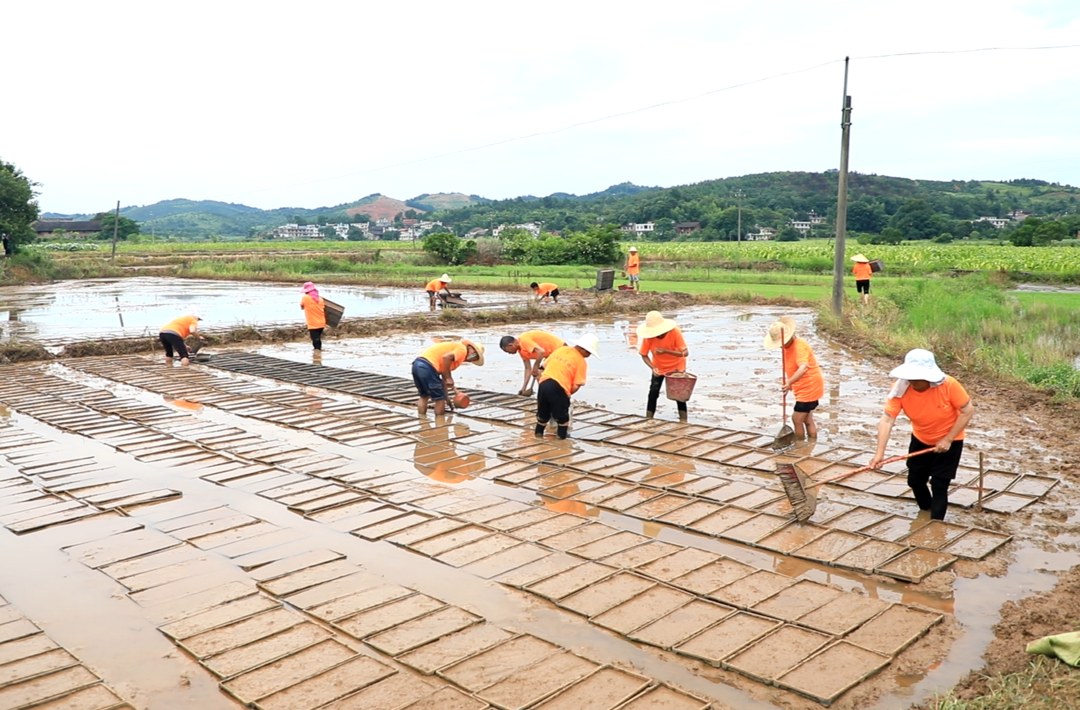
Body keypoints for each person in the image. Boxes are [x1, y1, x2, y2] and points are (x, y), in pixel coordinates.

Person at [869, 349, 974, 521]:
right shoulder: (899, 389)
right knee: (915, 481)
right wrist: (879, 453)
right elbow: (887, 421)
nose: (913, 381)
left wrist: (948, 439)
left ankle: (935, 524)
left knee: (939, 484)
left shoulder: (949, 385)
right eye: (911, 377)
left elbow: (967, 411)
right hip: (921, 438)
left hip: (950, 440)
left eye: (918, 377)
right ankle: (926, 512)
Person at [763, 316, 824, 439]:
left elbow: (803, 367)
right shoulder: (787, 347)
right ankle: (811, 443)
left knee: (796, 419)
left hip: (809, 387)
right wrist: (790, 384)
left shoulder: (799, 347)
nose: (780, 346)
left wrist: (790, 382)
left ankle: (800, 445)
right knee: (807, 419)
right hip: (802, 387)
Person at [536, 334, 599, 440]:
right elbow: (576, 384)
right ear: (584, 350)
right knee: (562, 419)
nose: (588, 355)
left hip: (543, 384)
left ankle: (537, 437)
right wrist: (566, 396)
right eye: (589, 353)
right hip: (558, 387)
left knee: (542, 416)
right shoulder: (581, 362)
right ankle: (561, 442)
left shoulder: (561, 350)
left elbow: (544, 367)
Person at [637, 311, 690, 422]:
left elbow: (685, 353)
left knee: (679, 396)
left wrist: (666, 351)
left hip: (677, 367)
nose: (657, 335)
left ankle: (684, 421)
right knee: (653, 392)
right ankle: (648, 419)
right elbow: (644, 355)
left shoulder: (675, 332)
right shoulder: (649, 337)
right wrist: (652, 368)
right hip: (659, 367)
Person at [411, 339, 485, 416]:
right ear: (473, 353)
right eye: (473, 360)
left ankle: (422, 420)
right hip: (428, 367)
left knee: (424, 396)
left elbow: (444, 375)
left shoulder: (454, 349)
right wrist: (449, 377)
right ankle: (440, 425)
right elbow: (446, 357)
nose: (469, 361)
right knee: (439, 400)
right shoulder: (462, 350)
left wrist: (446, 396)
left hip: (417, 365)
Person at [500, 330, 566, 395]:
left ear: (510, 345)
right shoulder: (521, 351)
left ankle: (548, 395)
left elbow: (541, 351)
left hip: (561, 351)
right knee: (539, 375)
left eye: (507, 351)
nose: (509, 353)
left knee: (542, 374)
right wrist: (524, 387)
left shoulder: (524, 340)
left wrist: (536, 367)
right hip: (551, 356)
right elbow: (527, 368)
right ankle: (545, 395)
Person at [300, 281, 326, 351]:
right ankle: (318, 352)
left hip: (313, 323)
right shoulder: (320, 299)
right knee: (317, 338)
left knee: (315, 340)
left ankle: (317, 355)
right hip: (322, 322)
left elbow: (302, 306)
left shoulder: (305, 298)